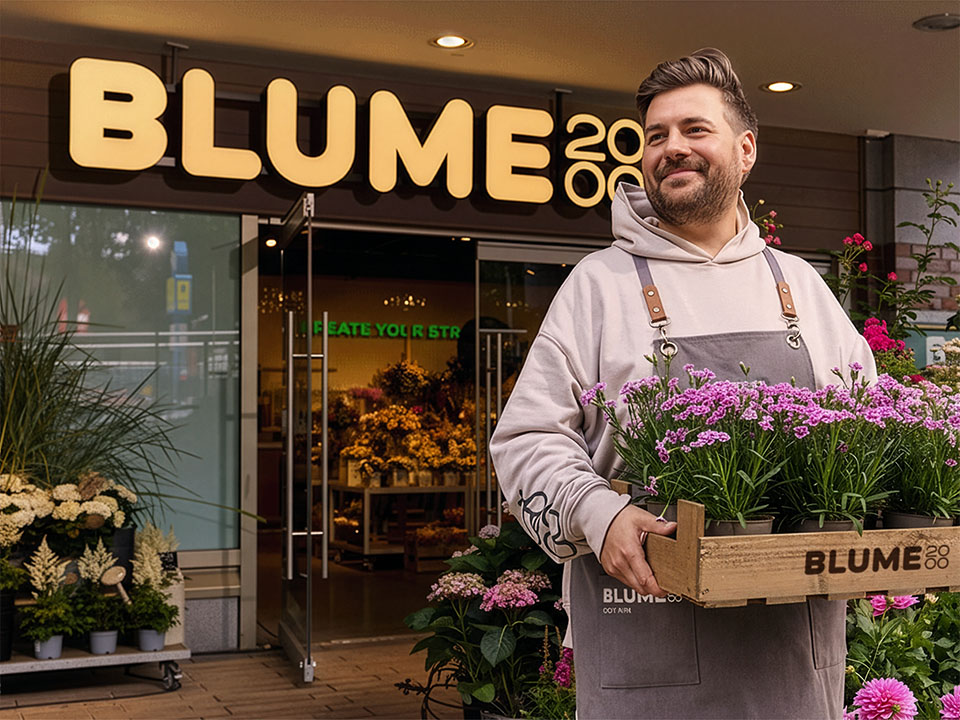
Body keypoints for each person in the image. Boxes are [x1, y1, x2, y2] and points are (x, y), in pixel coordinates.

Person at [489, 48, 876, 719]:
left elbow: (873, 427)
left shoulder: (802, 290)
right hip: (645, 639)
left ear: (745, 149)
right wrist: (597, 511)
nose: (672, 148)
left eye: (695, 130)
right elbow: (525, 440)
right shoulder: (598, 287)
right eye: (656, 136)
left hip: (790, 659)